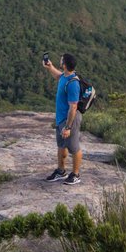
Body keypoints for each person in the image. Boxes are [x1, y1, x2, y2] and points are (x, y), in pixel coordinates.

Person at [41, 52, 82, 183]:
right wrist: (50, 67)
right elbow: (58, 76)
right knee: (61, 145)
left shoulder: (73, 83)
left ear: (64, 65)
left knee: (74, 148)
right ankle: (61, 171)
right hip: (61, 119)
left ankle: (75, 175)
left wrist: (68, 127)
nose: (60, 61)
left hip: (70, 120)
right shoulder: (65, 76)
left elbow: (73, 107)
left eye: (61, 60)